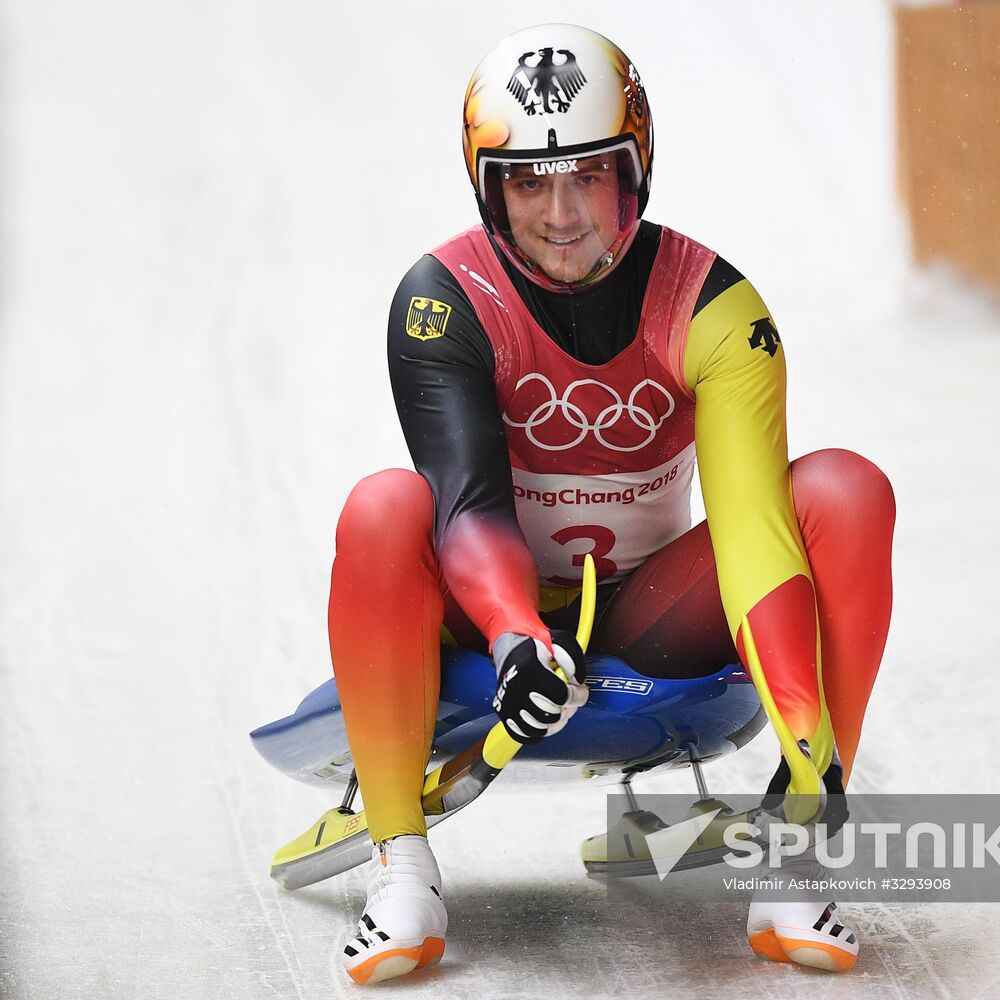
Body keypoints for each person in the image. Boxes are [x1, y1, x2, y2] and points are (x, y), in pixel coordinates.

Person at [328, 23, 895, 985]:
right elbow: (464, 507)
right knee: (384, 505)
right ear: (486, 185)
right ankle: (403, 868)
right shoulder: (441, 297)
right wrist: (514, 636)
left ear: (638, 170)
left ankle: (793, 846)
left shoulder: (714, 303)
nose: (560, 214)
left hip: (648, 615)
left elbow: (757, 532)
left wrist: (807, 740)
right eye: (527, 181)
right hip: (487, 624)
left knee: (842, 489)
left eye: (589, 175)